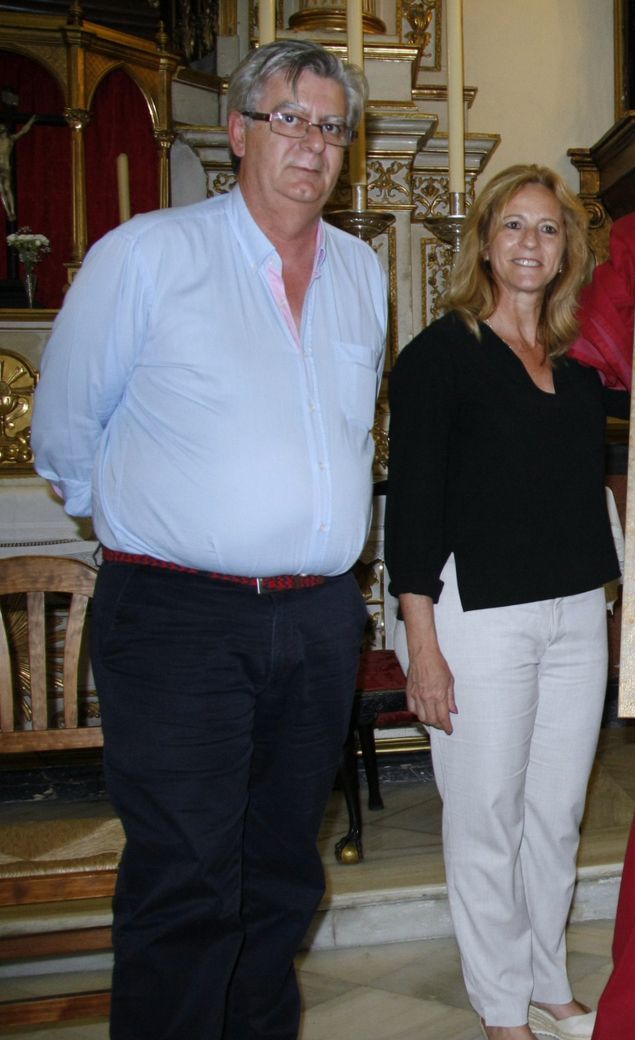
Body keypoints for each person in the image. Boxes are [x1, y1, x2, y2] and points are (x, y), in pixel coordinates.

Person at [31, 39, 384, 1040]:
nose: (310, 144)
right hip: (180, 615)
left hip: (315, 619)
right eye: (288, 119)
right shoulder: (148, 254)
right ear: (237, 130)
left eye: (330, 125)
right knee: (188, 878)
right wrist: (170, 527)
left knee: (279, 873)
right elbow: (64, 431)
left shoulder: (361, 271)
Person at [385, 163, 626, 1040]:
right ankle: (498, 1007)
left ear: (568, 251)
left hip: (573, 613)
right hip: (474, 615)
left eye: (549, 229)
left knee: (555, 816)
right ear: (484, 243)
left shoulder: (581, 369)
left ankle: (548, 981)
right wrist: (423, 646)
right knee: (486, 815)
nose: (531, 243)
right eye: (514, 226)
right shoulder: (441, 355)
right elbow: (409, 508)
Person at [0, 113, 35, 219]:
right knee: (2, 190)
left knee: (7, 189)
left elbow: (23, 131)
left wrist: (31, 121)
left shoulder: (10, 140)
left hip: (5, 168)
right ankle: (9, 212)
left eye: (2, 130)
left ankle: (13, 211)